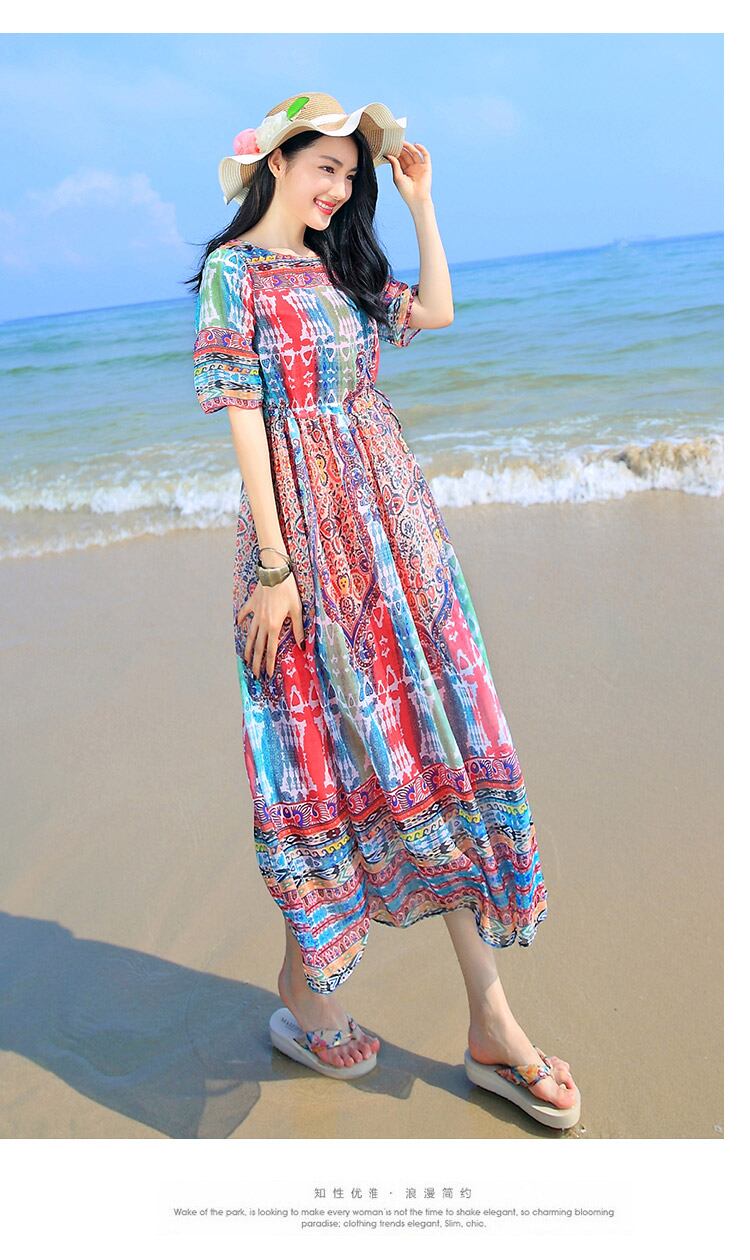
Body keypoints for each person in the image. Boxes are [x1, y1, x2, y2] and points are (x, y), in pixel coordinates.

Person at [188, 93, 580, 1129]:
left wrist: (420, 203)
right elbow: (243, 415)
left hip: (397, 539)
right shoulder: (236, 274)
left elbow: (437, 312)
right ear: (276, 163)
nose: (338, 188)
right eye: (326, 167)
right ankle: (309, 991)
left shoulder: (339, 266)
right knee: (326, 766)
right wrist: (277, 568)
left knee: (428, 749)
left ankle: (490, 1022)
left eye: (349, 175)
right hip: (302, 552)